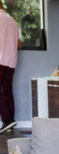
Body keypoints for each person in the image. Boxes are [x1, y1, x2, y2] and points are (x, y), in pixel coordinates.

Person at [0, 1, 21, 134]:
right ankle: (10, 121)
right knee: (7, 91)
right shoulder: (12, 21)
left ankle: (7, 120)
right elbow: (19, 44)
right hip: (11, 61)